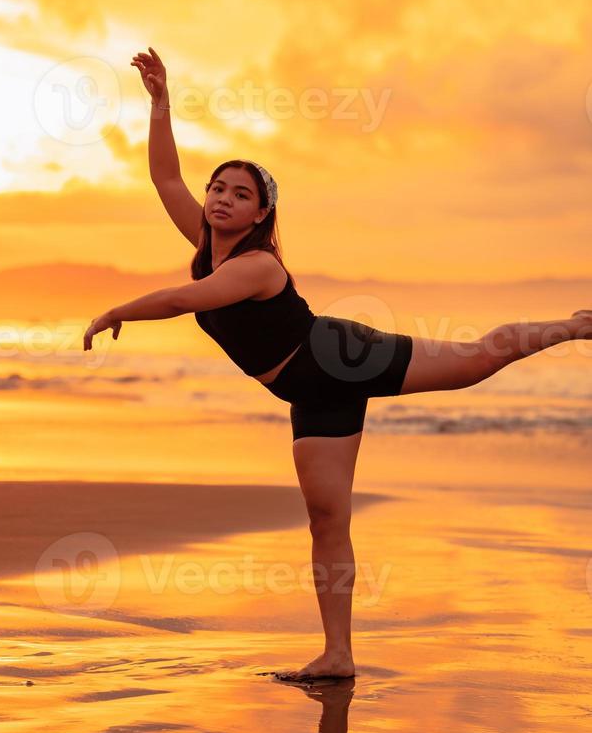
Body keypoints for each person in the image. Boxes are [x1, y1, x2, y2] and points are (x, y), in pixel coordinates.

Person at [83, 46, 592, 682]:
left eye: (240, 194)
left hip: (340, 357)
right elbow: (164, 179)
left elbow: (187, 299)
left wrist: (119, 309)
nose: (220, 198)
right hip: (311, 395)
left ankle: (574, 326)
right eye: (217, 187)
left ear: (261, 214)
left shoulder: (258, 266)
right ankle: (338, 654)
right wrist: (160, 102)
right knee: (326, 520)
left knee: (471, 362)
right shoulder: (206, 244)